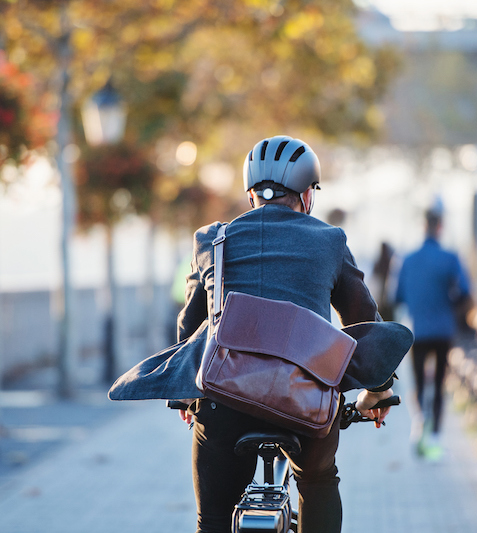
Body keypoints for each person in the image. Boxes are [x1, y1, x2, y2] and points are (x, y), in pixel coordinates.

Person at [176, 136, 397, 533]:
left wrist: (185, 394)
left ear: (250, 197)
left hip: (224, 399)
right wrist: (377, 391)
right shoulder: (329, 240)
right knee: (317, 480)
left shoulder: (212, 240)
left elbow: (190, 327)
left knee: (211, 519)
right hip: (305, 400)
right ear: (307, 195)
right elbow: (364, 324)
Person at [395, 207, 471, 461]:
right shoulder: (450, 258)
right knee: (438, 383)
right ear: (440, 227)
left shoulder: (408, 259)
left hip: (417, 331)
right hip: (443, 330)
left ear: (423, 226)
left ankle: (419, 426)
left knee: (417, 382)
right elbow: (465, 292)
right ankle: (436, 436)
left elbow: (399, 296)